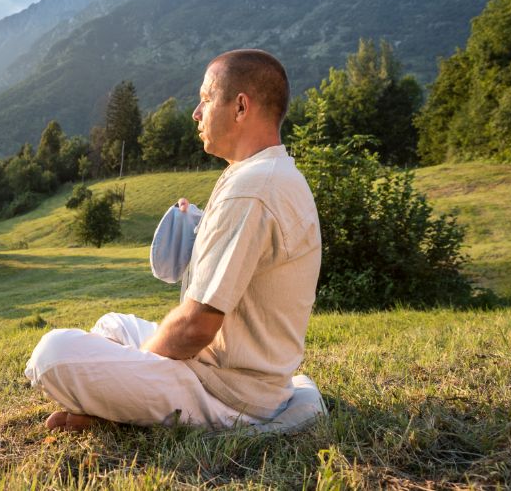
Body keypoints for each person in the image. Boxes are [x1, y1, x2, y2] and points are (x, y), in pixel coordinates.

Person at [24, 49, 322, 431]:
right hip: (233, 372)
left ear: (241, 107)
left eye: (206, 98)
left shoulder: (252, 189)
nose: (196, 113)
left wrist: (142, 364)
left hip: (230, 393)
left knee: (53, 354)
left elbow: (196, 327)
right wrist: (200, 223)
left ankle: (115, 410)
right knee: (112, 325)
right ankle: (115, 405)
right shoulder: (267, 173)